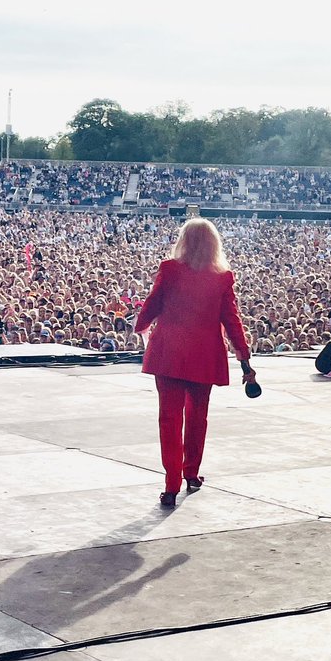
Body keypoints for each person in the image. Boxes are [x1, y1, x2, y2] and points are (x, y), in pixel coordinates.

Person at [135, 218, 255, 509]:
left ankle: (171, 484)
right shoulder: (223, 277)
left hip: (170, 352)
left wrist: (141, 324)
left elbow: (153, 303)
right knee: (198, 417)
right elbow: (232, 319)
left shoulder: (170, 269)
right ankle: (191, 473)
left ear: (184, 241)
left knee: (169, 420)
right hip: (205, 355)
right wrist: (244, 356)